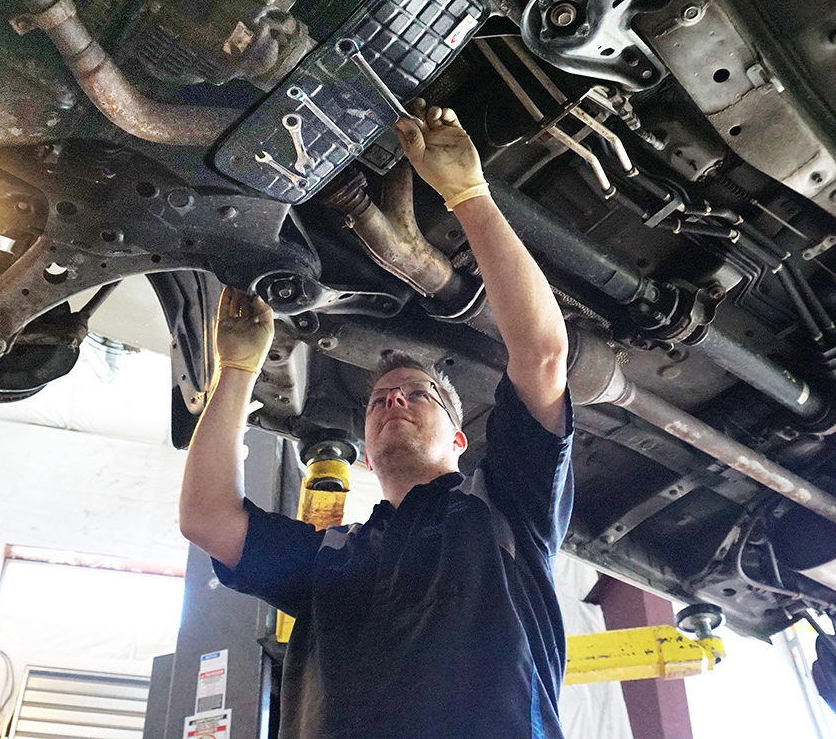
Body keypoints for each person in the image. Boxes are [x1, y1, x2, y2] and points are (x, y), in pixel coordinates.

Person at [179, 100, 573, 739]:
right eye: (380, 400)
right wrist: (236, 375)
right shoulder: (332, 557)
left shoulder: (505, 512)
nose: (393, 401)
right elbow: (207, 520)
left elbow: (542, 354)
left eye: (418, 395)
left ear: (459, 436)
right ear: (362, 450)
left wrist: (469, 194)